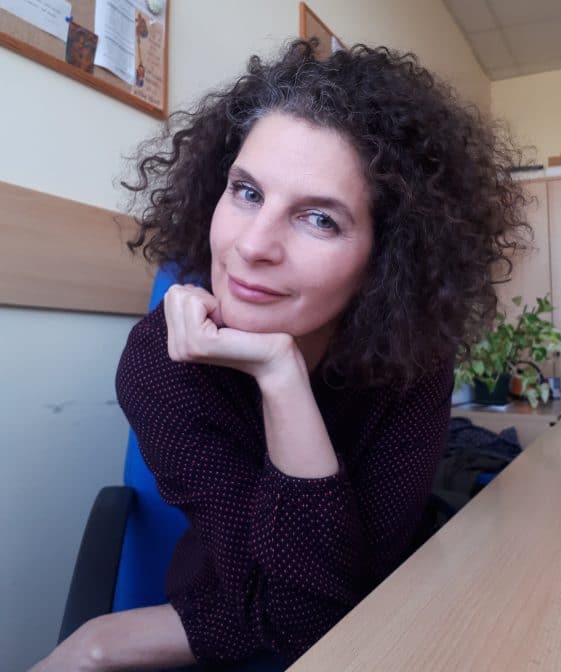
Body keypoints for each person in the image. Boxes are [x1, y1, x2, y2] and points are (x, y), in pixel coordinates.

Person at [29, 40, 530, 672]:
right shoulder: (162, 361)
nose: (253, 245)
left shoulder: (415, 364)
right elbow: (296, 614)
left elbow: (322, 618)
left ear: (387, 258)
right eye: (246, 192)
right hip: (234, 612)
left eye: (319, 219)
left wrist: (281, 377)